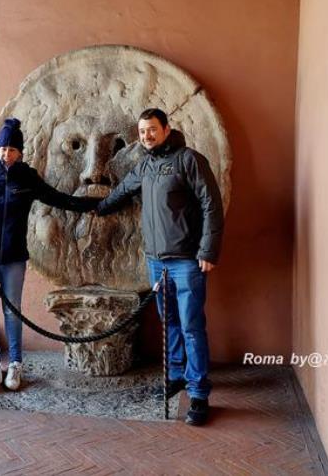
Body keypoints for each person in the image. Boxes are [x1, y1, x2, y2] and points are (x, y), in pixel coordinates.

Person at [97, 108, 224, 426]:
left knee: (192, 326)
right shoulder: (145, 166)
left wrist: (208, 250)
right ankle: (178, 375)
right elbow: (122, 192)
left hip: (186, 261)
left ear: (167, 129)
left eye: (152, 129)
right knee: (169, 322)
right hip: (156, 261)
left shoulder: (190, 160)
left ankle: (198, 394)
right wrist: (95, 207)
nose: (146, 136)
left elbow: (212, 204)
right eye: (142, 132)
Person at [0, 118, 98, 391]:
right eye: (2, 148)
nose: (6, 153)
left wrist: (94, 205)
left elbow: (58, 199)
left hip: (13, 256)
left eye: (11, 149)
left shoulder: (27, 179)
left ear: (20, 152)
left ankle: (16, 365)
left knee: (13, 310)